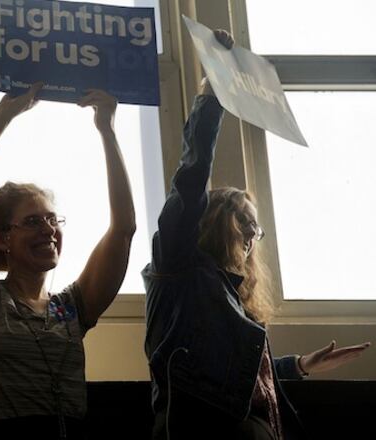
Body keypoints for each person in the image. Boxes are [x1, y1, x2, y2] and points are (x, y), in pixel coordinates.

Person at [142, 29, 371, 440]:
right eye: (242, 218)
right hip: (207, 430)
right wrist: (212, 94)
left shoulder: (232, 296)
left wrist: (300, 366)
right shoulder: (180, 269)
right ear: (211, 220)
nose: (251, 233)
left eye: (255, 226)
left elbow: (241, 377)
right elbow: (190, 183)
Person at [0, 83, 137, 439]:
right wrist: (4, 115)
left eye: (52, 219)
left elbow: (123, 229)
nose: (47, 229)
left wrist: (107, 129)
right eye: (32, 221)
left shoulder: (73, 308)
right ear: (3, 238)